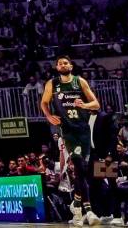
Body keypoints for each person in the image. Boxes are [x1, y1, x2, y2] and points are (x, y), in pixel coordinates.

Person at [41, 56, 101, 226]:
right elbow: (44, 103)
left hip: (83, 129)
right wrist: (48, 116)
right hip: (68, 131)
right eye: (60, 63)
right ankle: (88, 210)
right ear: (56, 67)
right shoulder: (52, 83)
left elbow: (96, 104)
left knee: (84, 171)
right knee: (79, 167)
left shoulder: (80, 81)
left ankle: (75, 203)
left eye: (65, 63)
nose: (63, 65)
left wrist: (85, 105)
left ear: (71, 66)